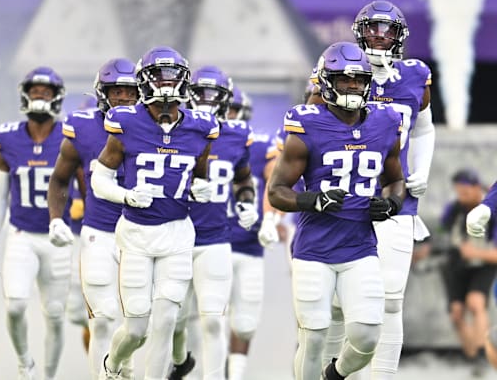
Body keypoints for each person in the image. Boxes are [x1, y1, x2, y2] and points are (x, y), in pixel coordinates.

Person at [309, 0, 435, 379]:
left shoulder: (415, 76)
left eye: (388, 31)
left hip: (395, 197)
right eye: (372, 30)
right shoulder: (336, 69)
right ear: (358, 33)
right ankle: (334, 373)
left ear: (400, 38)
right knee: (334, 306)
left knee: (391, 300)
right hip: (345, 198)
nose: (379, 39)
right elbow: (312, 130)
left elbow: (425, 128)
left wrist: (422, 170)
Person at [268, 42, 405, 380]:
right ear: (327, 82)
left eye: (358, 80)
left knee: (367, 336)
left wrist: (392, 203)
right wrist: (311, 200)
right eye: (344, 79)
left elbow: (396, 180)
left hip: (360, 248)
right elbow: (276, 192)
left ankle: (334, 375)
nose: (353, 86)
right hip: (314, 250)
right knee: (313, 339)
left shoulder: (385, 121)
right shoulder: (307, 124)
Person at [92, 46, 219, 379]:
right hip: (135, 233)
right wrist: (126, 195)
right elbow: (99, 179)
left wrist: (197, 188)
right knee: (137, 328)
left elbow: (198, 174)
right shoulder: (126, 122)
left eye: (171, 77)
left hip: (178, 232)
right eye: (159, 77)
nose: (165, 85)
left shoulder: (201, 127)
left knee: (165, 320)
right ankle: (113, 364)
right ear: (145, 81)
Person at [47, 57, 139, 379]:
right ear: (103, 93)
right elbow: (60, 178)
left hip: (144, 235)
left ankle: (121, 367)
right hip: (99, 231)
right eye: (118, 92)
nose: (125, 98)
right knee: (102, 319)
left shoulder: (154, 126)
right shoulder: (84, 127)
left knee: (140, 324)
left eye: (131, 92)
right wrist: (56, 218)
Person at [0, 66, 70, 380]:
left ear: (57, 97)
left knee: (55, 316)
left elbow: (87, 188)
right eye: (35, 91)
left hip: (57, 238)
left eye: (46, 92)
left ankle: (49, 376)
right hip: (21, 236)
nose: (40, 96)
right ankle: (24, 363)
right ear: (25, 94)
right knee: (15, 305)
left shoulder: (69, 135)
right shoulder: (7, 137)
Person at [169, 66, 257, 380]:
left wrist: (247, 201)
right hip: (175, 236)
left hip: (215, 239)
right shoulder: (175, 131)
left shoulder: (236, 135)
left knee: (213, 320)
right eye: (201, 94)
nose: (206, 101)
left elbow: (243, 179)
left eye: (214, 95)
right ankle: (180, 362)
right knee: (173, 321)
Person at [223, 85, 280, 380]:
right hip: (208, 243)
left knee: (244, 323)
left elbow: (277, 183)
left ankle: (235, 374)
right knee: (203, 319)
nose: (228, 116)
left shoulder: (258, 145)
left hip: (248, 244)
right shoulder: (197, 141)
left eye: (233, 110)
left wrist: (273, 219)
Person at [440, 169, 496, 375]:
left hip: (482, 265)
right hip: (458, 265)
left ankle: (482, 353)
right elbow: (441, 232)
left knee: (476, 302)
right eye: (459, 192)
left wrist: (475, 252)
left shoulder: (491, 211)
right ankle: (473, 356)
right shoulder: (454, 210)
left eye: (465, 192)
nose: (461, 197)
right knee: (456, 313)